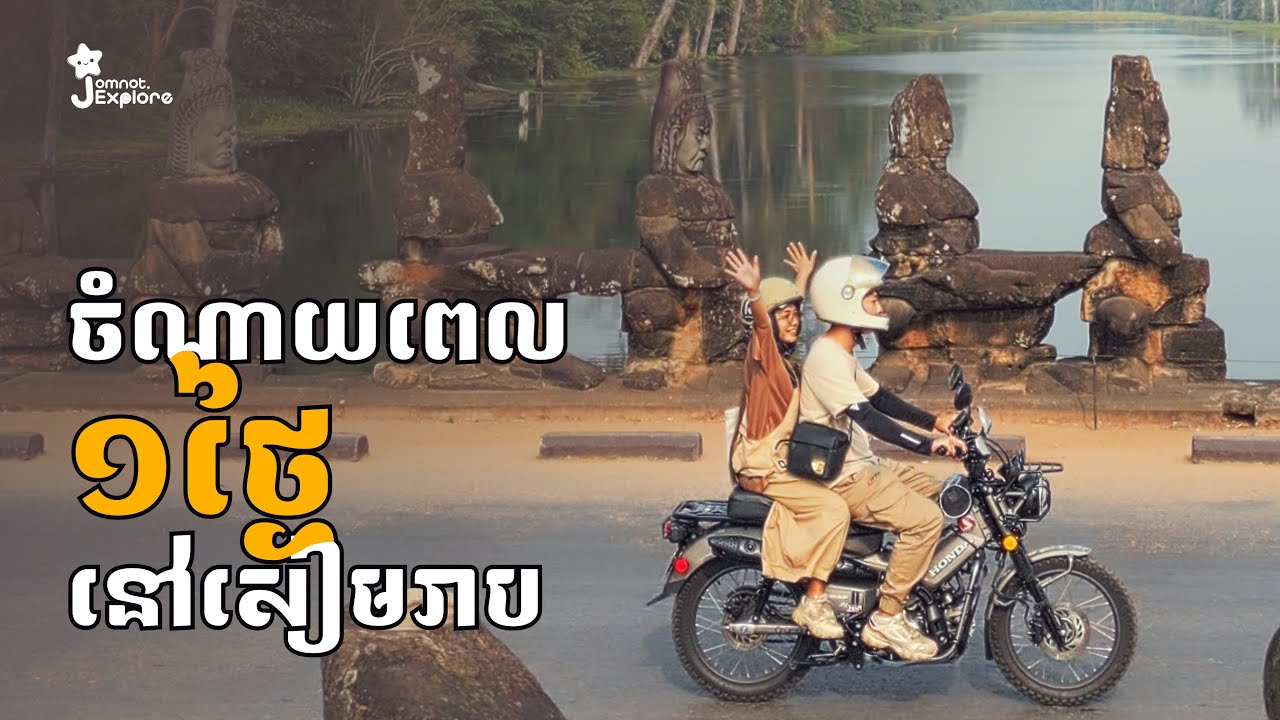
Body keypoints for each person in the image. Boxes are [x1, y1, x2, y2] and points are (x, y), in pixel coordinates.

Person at [796, 254, 966, 661]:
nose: (879, 305)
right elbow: (868, 417)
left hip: (865, 465)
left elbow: (881, 399)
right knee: (926, 521)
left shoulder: (842, 354)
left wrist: (936, 422)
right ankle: (887, 617)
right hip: (846, 477)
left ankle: (905, 576)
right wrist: (927, 445)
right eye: (872, 298)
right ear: (846, 302)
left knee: (942, 493)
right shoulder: (825, 357)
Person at [724, 242, 850, 640]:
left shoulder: (785, 364)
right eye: (786, 316)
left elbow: (778, 322)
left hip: (779, 465)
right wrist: (754, 293)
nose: (794, 321)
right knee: (834, 510)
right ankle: (814, 599)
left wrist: (801, 281)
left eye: (798, 314)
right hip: (765, 471)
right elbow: (764, 329)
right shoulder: (764, 362)